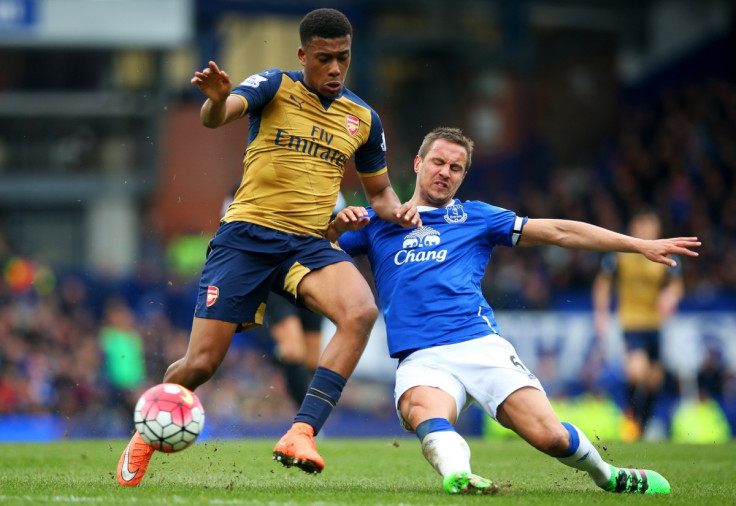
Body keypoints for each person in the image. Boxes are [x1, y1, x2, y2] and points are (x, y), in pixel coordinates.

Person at [116, 7, 420, 486]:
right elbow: (217, 116)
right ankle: (144, 432)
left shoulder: (362, 118)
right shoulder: (274, 86)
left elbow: (380, 193)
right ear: (303, 56)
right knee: (202, 364)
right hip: (247, 238)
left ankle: (301, 431)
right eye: (324, 59)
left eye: (343, 58)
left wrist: (399, 208)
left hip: (308, 243)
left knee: (360, 311)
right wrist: (216, 101)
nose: (335, 68)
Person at [326, 127, 699, 495]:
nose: (445, 172)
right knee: (422, 409)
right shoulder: (377, 224)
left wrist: (637, 245)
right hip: (420, 356)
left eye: (455, 168)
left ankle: (608, 475)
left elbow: (559, 232)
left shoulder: (477, 217)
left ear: (463, 176)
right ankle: (459, 476)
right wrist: (333, 230)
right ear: (419, 163)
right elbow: (319, 255)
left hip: (480, 346)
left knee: (550, 436)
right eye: (438, 162)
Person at [592, 210, 685, 441]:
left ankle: (642, 426)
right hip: (631, 322)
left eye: (651, 227)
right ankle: (631, 417)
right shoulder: (620, 256)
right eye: (642, 227)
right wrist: (601, 315)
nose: (646, 232)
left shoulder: (666, 256)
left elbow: (676, 285)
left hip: (655, 324)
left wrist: (671, 297)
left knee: (655, 380)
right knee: (636, 371)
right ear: (634, 229)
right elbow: (602, 284)